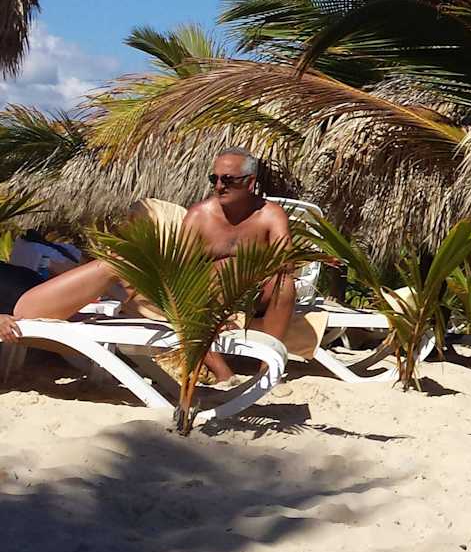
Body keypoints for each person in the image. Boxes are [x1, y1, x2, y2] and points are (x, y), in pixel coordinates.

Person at [13, 148, 295, 381]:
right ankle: (222, 372)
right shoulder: (201, 215)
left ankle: (268, 370)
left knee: (284, 285)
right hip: (202, 296)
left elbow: (285, 262)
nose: (220, 186)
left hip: (250, 292)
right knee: (178, 297)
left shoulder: (270, 215)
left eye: (229, 180)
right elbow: (181, 272)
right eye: (215, 178)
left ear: (250, 182)